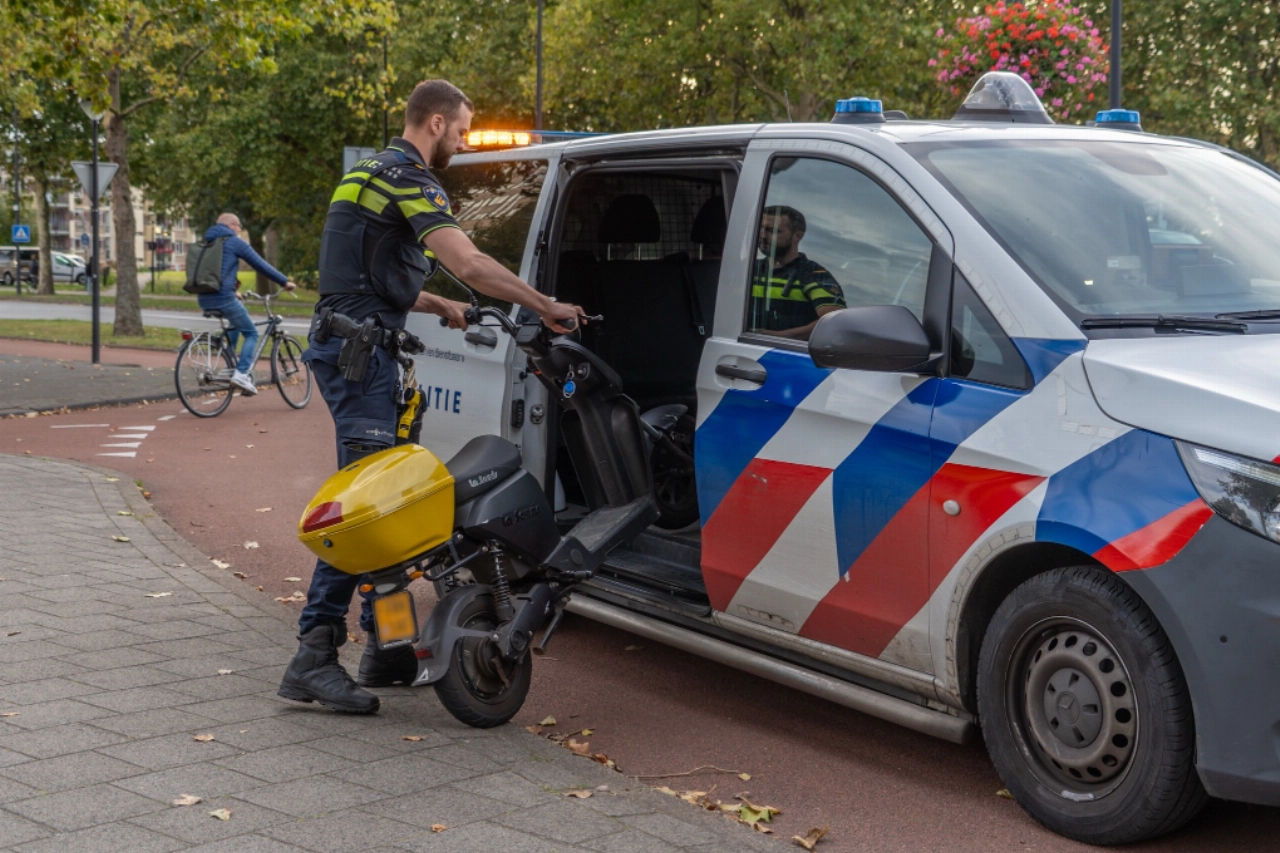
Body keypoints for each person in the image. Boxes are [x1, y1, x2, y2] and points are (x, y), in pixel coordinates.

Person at [278, 79, 582, 714]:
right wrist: (544, 305)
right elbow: (470, 262)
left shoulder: (363, 174)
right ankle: (312, 656)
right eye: (464, 130)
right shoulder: (413, 179)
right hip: (362, 359)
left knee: (386, 508)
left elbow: (357, 279)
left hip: (354, 345)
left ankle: (386, 647)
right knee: (363, 511)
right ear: (437, 122)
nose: (463, 142)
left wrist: (433, 302)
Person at [198, 214, 297, 394]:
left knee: (235, 325)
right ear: (231, 225)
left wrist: (233, 290)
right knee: (251, 333)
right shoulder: (234, 241)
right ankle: (242, 374)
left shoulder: (208, 242)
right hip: (224, 299)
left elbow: (213, 271)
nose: (240, 229)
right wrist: (284, 282)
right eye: (239, 225)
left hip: (204, 298)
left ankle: (230, 366)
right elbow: (260, 264)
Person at [748, 205, 845, 340]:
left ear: (797, 236)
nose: (763, 236)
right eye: (761, 229)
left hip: (790, 354)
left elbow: (834, 321)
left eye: (772, 231)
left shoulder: (814, 275)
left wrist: (779, 337)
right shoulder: (750, 270)